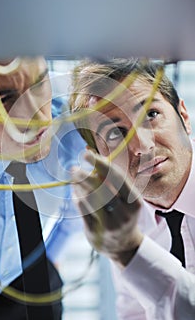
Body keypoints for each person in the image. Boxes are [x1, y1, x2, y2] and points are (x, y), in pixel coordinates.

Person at [69, 58, 195, 319]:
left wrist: (130, 251)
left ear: (184, 116)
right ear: (99, 157)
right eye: (115, 133)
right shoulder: (128, 221)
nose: (142, 146)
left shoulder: (126, 239)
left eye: (151, 114)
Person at [0, 56, 85, 319]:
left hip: (38, 283)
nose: (37, 117)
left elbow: (77, 198)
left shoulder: (72, 127)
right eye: (5, 99)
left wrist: (52, 254)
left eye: (40, 85)